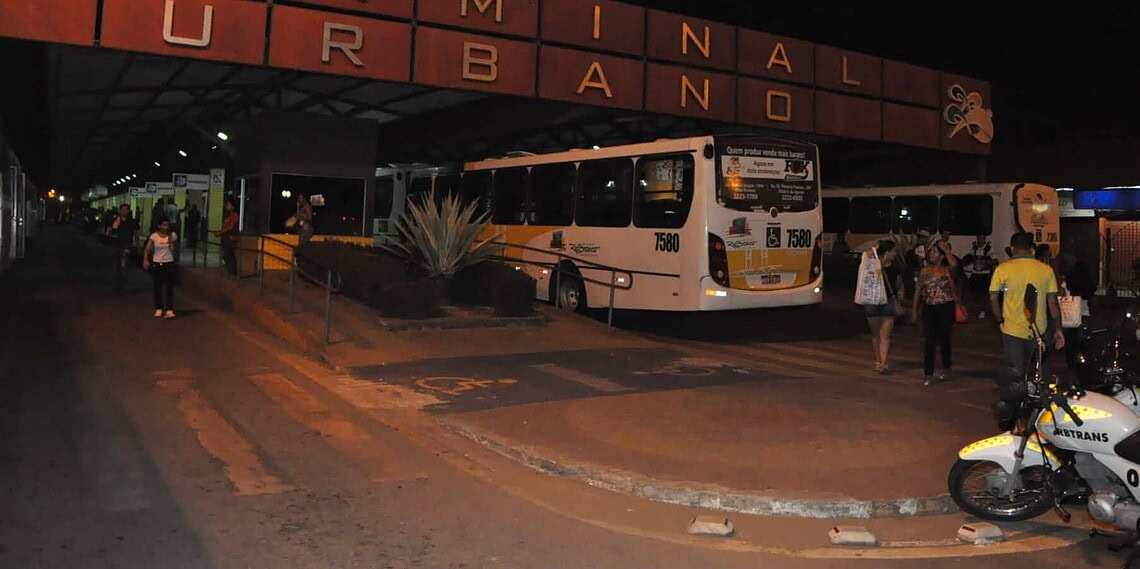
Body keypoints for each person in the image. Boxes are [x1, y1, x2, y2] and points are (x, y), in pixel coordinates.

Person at [989, 232, 1065, 386]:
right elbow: (1053, 303)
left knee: (1016, 376)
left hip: (1012, 331)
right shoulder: (1046, 270)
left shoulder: (1002, 269)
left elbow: (992, 298)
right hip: (1039, 331)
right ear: (1031, 249)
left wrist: (1000, 321)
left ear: (1012, 248)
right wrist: (1058, 329)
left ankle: (1017, 405)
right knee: (1041, 375)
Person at [912, 240, 961, 385]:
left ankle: (946, 367)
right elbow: (918, 291)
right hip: (929, 308)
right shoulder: (924, 271)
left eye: (934, 252)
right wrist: (914, 311)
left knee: (944, 339)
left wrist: (946, 251)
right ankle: (928, 373)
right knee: (929, 341)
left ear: (940, 256)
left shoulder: (946, 269)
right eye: (931, 251)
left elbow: (955, 265)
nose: (931, 254)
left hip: (946, 307)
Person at [859, 239, 900, 373]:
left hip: (888, 301)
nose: (895, 254)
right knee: (876, 334)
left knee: (885, 335)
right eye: (894, 251)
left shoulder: (895, 266)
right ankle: (878, 360)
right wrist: (876, 248)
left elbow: (898, 282)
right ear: (887, 252)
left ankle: (883, 363)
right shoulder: (871, 263)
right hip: (872, 301)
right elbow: (865, 255)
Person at [142, 217, 179, 319]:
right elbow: (147, 249)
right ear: (159, 226)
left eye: (167, 225)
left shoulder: (173, 235)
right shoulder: (154, 236)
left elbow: (175, 249)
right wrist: (145, 259)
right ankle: (159, 308)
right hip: (157, 263)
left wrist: (171, 242)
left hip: (169, 263)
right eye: (163, 225)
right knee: (157, 287)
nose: (165, 227)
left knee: (169, 287)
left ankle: (169, 309)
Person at [107, 204, 139, 294]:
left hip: (126, 245)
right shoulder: (114, 220)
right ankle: (115, 285)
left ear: (128, 211)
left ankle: (122, 287)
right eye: (122, 209)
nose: (124, 211)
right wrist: (114, 228)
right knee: (115, 267)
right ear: (119, 210)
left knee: (123, 266)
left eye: (126, 209)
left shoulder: (132, 222)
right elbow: (109, 232)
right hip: (115, 245)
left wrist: (137, 245)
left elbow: (136, 234)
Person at [218, 199, 240, 277]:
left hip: (231, 238)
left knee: (229, 255)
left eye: (228, 205)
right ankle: (231, 272)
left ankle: (233, 272)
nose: (226, 206)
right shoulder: (228, 216)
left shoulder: (235, 216)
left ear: (233, 207)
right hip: (226, 238)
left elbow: (230, 227)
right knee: (226, 255)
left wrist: (221, 232)